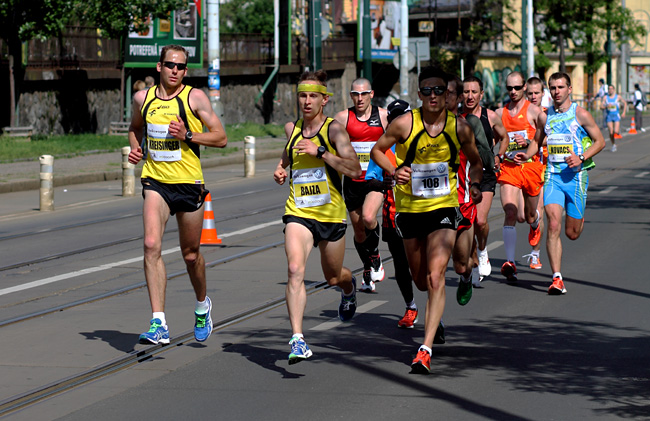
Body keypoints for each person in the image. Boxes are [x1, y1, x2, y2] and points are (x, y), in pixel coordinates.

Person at [371, 67, 483, 374]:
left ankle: (425, 347)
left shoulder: (459, 127)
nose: (433, 96)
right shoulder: (405, 123)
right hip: (409, 211)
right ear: (419, 95)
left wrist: (473, 185)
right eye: (427, 91)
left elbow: (475, 162)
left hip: (444, 209)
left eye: (439, 91)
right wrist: (394, 170)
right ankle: (436, 317)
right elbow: (377, 151)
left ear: (447, 95)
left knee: (436, 277)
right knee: (421, 280)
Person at [127, 44, 228, 345]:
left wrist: (187, 135)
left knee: (190, 254)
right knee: (150, 244)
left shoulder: (194, 97)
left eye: (181, 67)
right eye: (171, 65)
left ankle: (201, 305)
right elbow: (136, 128)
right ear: (159, 67)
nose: (175, 71)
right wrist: (136, 148)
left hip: (188, 184)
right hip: (155, 182)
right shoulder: (142, 99)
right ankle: (159, 322)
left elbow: (221, 137)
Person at [273, 70, 361, 364]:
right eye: (302, 95)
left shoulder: (334, 131)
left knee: (333, 276)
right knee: (295, 268)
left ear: (324, 99)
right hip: (298, 212)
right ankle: (297, 339)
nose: (307, 101)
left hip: (331, 214)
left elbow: (354, 169)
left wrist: (321, 151)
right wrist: (281, 168)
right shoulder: (292, 129)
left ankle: (349, 289)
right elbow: (289, 153)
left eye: (313, 96)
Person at [515, 72, 605, 294]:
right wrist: (527, 155)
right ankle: (557, 278)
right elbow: (537, 141)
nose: (556, 92)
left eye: (560, 87)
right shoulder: (545, 116)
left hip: (576, 176)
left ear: (569, 89)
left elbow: (600, 141)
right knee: (553, 224)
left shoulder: (580, 114)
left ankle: (579, 216)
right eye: (553, 88)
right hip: (553, 176)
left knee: (572, 233)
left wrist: (581, 157)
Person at [365, 99, 445, 343]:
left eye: (403, 114)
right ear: (390, 120)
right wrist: (385, 182)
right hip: (394, 216)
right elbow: (370, 180)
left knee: (430, 270)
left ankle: (436, 318)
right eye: (394, 116)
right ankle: (411, 307)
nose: (399, 119)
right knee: (401, 266)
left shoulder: (423, 141)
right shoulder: (385, 147)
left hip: (424, 213)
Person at [334, 78, 388, 293]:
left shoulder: (383, 116)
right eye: (355, 94)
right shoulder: (342, 118)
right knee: (358, 232)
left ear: (371, 94)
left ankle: (374, 255)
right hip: (352, 181)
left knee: (368, 217)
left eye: (363, 94)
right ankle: (368, 268)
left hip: (375, 179)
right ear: (350, 96)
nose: (359, 98)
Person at [494, 72, 545, 283]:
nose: (513, 92)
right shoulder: (499, 113)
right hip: (509, 168)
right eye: (509, 88)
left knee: (529, 216)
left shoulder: (535, 112)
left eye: (517, 87)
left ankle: (535, 228)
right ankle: (510, 262)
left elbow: (547, 136)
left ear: (523, 87)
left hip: (532, 167)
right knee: (510, 211)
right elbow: (492, 139)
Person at [446, 75, 491, 301]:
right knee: (432, 271)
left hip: (462, 201)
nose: (441, 97)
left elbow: (480, 160)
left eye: (449, 93)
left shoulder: (466, 125)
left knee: (461, 265)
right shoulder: (418, 125)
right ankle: (435, 324)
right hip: (431, 203)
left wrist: (475, 183)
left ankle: (466, 276)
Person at [462, 76, 508, 284]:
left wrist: (499, 155)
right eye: (466, 92)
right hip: (463, 174)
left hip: (486, 173)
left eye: (474, 92)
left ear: (481, 94)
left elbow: (504, 137)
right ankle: (471, 256)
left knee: (480, 220)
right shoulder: (456, 117)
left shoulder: (490, 116)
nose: (470, 96)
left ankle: (482, 250)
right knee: (467, 222)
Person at [522, 76, 549, 270]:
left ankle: (535, 254)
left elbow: (557, 137)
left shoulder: (549, 114)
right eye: (529, 93)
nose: (533, 96)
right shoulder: (520, 114)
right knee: (525, 216)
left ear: (543, 93)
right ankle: (534, 224)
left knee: (539, 209)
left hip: (546, 166)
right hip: (522, 168)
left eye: (536, 93)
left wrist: (535, 143)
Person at [601, 84, 626, 152]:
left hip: (616, 116)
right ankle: (613, 144)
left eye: (611, 89)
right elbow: (601, 106)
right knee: (611, 132)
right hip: (609, 116)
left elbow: (624, 103)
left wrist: (623, 112)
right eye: (609, 89)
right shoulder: (605, 97)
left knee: (616, 131)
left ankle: (617, 133)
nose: (610, 90)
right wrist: (606, 106)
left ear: (614, 90)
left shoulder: (618, 97)